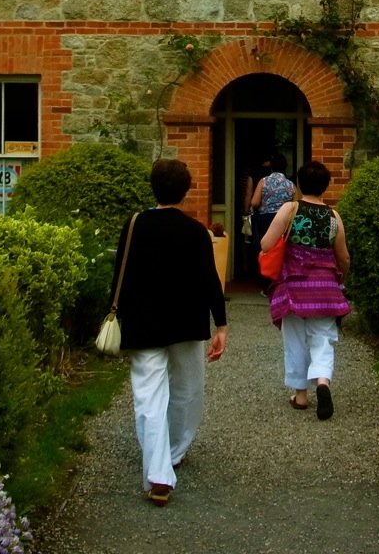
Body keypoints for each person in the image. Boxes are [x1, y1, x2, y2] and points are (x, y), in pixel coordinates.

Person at [110, 158, 228, 506]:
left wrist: (114, 315)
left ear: (153, 188)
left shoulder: (134, 224)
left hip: (142, 322)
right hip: (186, 322)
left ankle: (159, 471)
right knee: (187, 391)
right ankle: (173, 452)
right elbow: (210, 281)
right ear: (186, 190)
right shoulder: (195, 231)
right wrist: (221, 325)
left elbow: (119, 274)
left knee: (149, 397)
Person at [258, 160, 351, 420]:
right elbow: (343, 257)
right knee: (323, 338)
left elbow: (266, 244)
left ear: (299, 184)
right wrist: (341, 279)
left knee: (295, 340)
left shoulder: (291, 209)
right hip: (325, 288)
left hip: (293, 286)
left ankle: (300, 395)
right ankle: (322, 381)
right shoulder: (334, 216)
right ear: (326, 186)